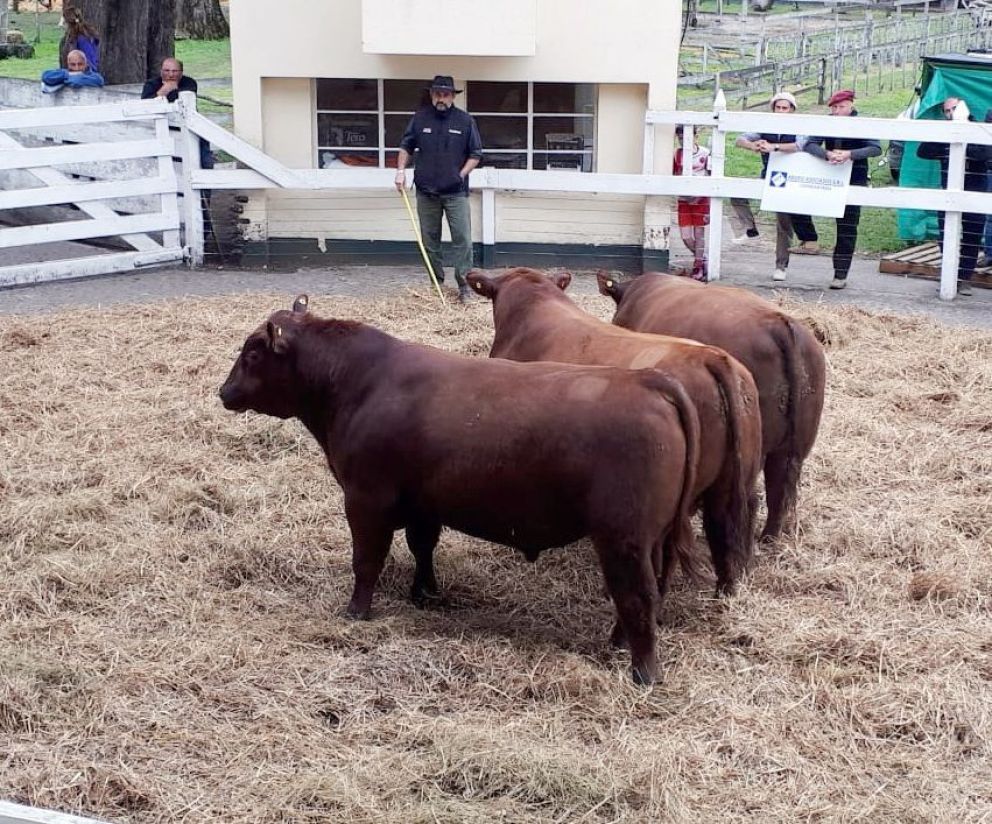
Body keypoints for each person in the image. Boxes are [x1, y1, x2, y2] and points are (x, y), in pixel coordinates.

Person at [394, 75, 483, 304]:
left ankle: (465, 286)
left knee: (462, 239)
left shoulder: (465, 121)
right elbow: (406, 146)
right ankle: (437, 284)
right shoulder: (420, 118)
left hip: (456, 193)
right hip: (426, 192)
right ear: (432, 95)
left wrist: (460, 175)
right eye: (437, 94)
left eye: (445, 94)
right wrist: (400, 171)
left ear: (453, 96)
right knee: (429, 241)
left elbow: (475, 154)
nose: (440, 98)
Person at [735, 91, 819, 282]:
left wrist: (775, 147)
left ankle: (781, 266)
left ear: (792, 110)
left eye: (785, 108)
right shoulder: (766, 126)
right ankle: (750, 229)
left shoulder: (798, 127)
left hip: (790, 179)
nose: (781, 111)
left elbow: (801, 145)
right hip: (768, 175)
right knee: (737, 194)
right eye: (778, 107)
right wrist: (754, 145)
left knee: (783, 223)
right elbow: (740, 139)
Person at [803, 89, 882, 290]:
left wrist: (849, 154)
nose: (838, 111)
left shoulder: (862, 123)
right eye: (835, 107)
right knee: (799, 207)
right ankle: (808, 238)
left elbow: (875, 148)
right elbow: (810, 143)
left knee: (847, 226)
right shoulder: (827, 122)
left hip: (854, 177)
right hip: (828, 176)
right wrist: (826, 154)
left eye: (842, 106)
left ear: (851, 105)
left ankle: (840, 273)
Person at [915, 96, 991, 297]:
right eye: (947, 111)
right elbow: (923, 152)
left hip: (975, 191)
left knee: (972, 235)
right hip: (948, 191)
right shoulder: (944, 131)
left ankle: (965, 277)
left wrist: (962, 139)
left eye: (954, 109)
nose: (950, 114)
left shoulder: (979, 127)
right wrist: (947, 140)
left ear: (963, 107)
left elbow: (983, 154)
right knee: (945, 233)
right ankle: (949, 274)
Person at [142, 57, 213, 170]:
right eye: (166, 71)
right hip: (161, 126)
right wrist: (164, 90)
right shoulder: (151, 84)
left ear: (181, 72)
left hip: (188, 124)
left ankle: (206, 177)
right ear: (161, 71)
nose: (170, 75)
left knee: (202, 144)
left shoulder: (189, 82)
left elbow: (184, 99)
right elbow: (146, 105)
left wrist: (163, 93)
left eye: (174, 71)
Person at [673, 125, 710, 282]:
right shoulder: (677, 155)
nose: (683, 141)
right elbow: (674, 174)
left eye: (686, 137)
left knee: (699, 234)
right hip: (684, 200)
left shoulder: (706, 154)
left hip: (701, 200)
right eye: (680, 138)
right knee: (686, 236)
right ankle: (704, 259)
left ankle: (698, 265)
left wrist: (701, 194)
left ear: (696, 137)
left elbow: (710, 176)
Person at [60, 4, 100, 74]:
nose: (62, 25)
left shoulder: (83, 38)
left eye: (64, 22)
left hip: (86, 75)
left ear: (68, 23)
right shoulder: (74, 36)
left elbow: (91, 61)